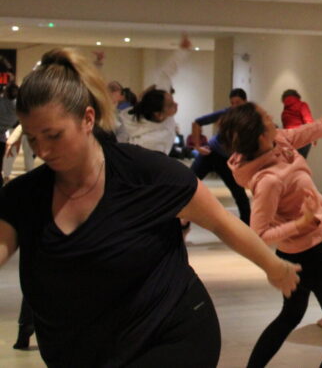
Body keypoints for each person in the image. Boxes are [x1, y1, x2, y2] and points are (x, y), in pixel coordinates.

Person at [0, 48, 300, 367]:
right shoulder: (25, 197)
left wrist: (274, 266)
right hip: (82, 353)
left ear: (88, 119)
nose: (42, 150)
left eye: (53, 135)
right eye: (32, 139)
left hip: (168, 336)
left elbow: (221, 223)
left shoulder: (148, 176)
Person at [219, 90, 322, 368]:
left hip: (302, 254)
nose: (273, 119)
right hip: (314, 257)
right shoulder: (268, 181)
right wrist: (300, 223)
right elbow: (257, 236)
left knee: (290, 316)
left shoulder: (280, 141)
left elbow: (320, 126)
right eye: (268, 119)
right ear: (261, 137)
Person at [188, 88, 252, 224]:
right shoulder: (226, 113)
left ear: (245, 102)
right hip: (210, 154)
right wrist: (198, 146)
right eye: (232, 103)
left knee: (238, 192)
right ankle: (176, 219)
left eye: (238, 102)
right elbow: (197, 122)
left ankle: (247, 225)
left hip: (226, 159)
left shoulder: (250, 119)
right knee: (188, 183)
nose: (235, 106)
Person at [281, 90, 315, 158]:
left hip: (289, 139)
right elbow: (308, 121)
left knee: (293, 162)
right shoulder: (302, 105)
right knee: (301, 161)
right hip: (301, 137)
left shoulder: (284, 112)